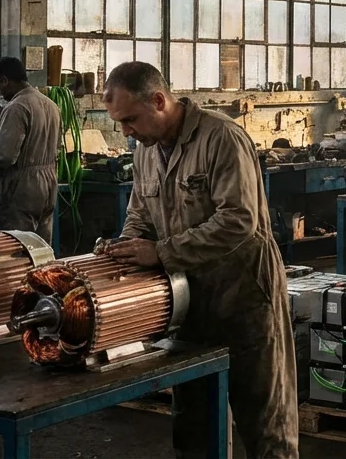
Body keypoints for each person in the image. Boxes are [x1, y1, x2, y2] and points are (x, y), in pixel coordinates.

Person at [101, 62, 297, 459]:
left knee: (265, 424)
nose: (126, 132)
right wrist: (124, 251)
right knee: (194, 426)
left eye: (130, 120)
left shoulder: (221, 138)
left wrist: (162, 252)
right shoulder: (145, 152)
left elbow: (238, 220)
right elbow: (140, 215)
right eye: (119, 123)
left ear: (159, 101)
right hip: (188, 301)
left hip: (243, 296)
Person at [0, 57, 61, 243]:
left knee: (17, 248)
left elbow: (4, 157)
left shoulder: (16, 107)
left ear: (5, 81)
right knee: (41, 247)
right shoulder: (51, 105)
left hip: (23, 188)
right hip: (49, 184)